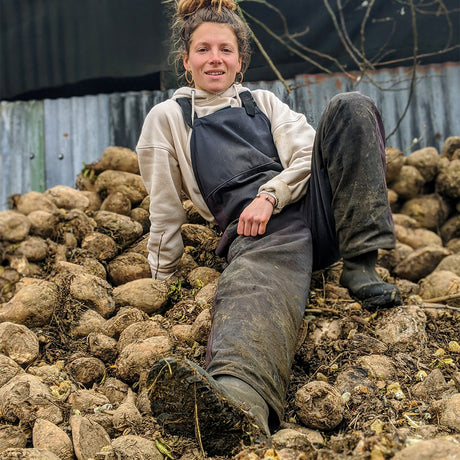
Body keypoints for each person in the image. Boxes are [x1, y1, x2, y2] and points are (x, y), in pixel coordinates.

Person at [136, 0, 402, 455]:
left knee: (351, 106)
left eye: (225, 49)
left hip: (314, 211)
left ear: (240, 59)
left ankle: (361, 263)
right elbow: (164, 209)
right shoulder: (168, 120)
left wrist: (271, 194)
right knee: (252, 289)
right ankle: (241, 401)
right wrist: (163, 281)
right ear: (186, 61)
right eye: (203, 50)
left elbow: (306, 154)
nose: (214, 58)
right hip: (263, 235)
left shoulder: (263, 102)